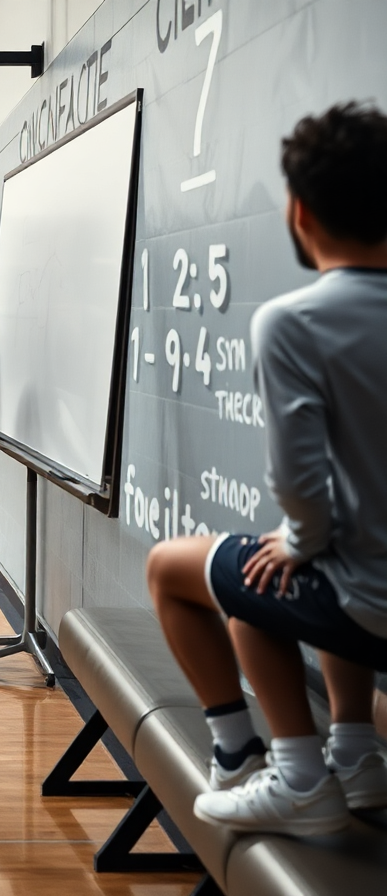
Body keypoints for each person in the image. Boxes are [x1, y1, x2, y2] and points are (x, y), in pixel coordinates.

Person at [147, 102, 387, 836]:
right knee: (285, 555)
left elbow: (300, 487)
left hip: (369, 606)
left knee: (197, 569)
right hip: (367, 586)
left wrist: (298, 539)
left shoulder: (293, 320)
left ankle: (271, 767)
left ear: (299, 210)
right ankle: (355, 754)